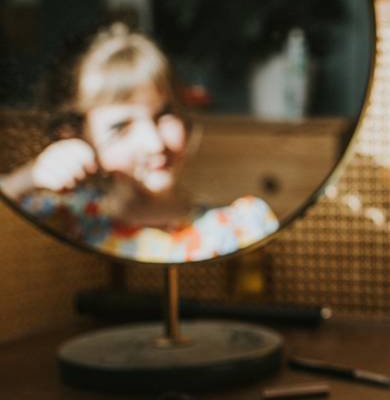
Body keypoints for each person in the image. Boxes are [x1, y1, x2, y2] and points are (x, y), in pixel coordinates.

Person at [0, 24, 277, 262]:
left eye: (164, 114)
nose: (154, 143)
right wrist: (27, 178)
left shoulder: (239, 228)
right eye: (121, 127)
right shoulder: (62, 219)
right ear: (75, 136)